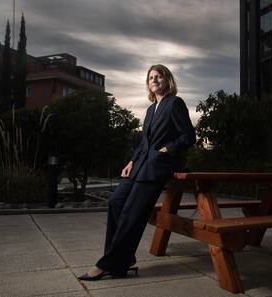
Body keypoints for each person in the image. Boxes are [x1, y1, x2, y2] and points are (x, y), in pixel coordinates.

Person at [78, 64, 196, 281]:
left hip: (159, 166)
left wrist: (167, 149)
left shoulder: (174, 103)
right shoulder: (151, 109)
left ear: (167, 80)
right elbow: (143, 144)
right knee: (115, 201)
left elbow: (188, 136)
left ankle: (107, 264)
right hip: (141, 165)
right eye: (151, 77)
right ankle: (123, 261)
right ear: (148, 84)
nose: (155, 80)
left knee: (132, 214)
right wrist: (130, 162)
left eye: (159, 76)